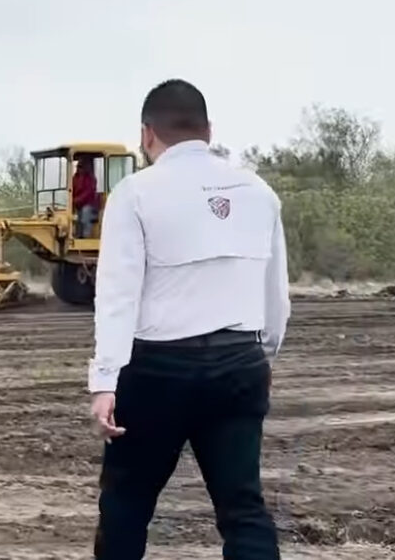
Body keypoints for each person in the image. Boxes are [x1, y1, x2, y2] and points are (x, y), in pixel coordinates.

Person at [88, 79, 290, 560]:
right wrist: (257, 355)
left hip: (157, 370)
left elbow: (117, 294)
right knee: (243, 509)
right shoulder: (259, 193)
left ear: (146, 135)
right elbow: (276, 295)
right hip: (240, 363)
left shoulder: (135, 193)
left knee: (127, 505)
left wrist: (104, 381)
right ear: (208, 130)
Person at [72, 156, 98, 237]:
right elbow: (71, 189)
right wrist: (71, 201)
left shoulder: (90, 179)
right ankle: (77, 235)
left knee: (85, 213)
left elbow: (88, 193)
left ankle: (86, 237)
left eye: (81, 167)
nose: (79, 169)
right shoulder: (75, 178)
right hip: (78, 204)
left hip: (90, 204)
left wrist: (76, 200)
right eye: (78, 166)